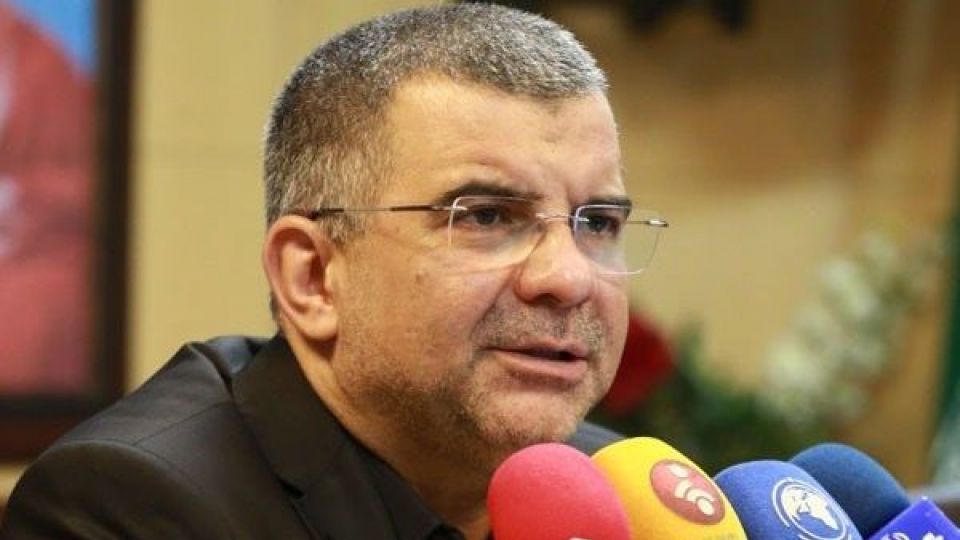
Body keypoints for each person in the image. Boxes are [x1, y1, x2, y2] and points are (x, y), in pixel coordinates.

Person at [0, 4, 668, 539]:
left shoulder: (614, 492)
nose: (568, 278)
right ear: (313, 277)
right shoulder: (132, 502)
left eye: (597, 224)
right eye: (487, 216)